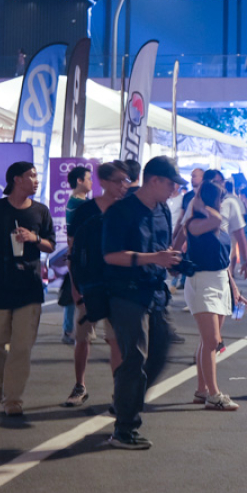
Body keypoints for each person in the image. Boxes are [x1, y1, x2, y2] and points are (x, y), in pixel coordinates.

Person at [101, 155, 185, 449]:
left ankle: (126, 402)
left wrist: (172, 262)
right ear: (154, 180)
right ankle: (124, 428)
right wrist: (155, 258)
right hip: (126, 292)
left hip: (155, 290)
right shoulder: (120, 211)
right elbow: (111, 256)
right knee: (134, 358)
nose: (175, 190)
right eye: (172, 184)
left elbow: (163, 250)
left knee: (161, 352)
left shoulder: (163, 210)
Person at [0, 162, 55, 419]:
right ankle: (5, 380)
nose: (37, 180)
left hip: (30, 287)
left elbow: (50, 245)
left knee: (21, 347)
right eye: (32, 176)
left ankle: (13, 399)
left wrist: (34, 238)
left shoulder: (41, 211)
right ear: (17, 180)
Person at [62, 160, 131, 409]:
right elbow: (72, 247)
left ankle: (119, 392)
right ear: (104, 182)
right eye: (118, 181)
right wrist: (73, 283)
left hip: (118, 284)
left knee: (115, 340)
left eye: (126, 180)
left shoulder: (126, 210)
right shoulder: (85, 210)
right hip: (89, 282)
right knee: (83, 337)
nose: (123, 185)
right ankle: (80, 385)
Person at [180, 172, 247, 411]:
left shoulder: (212, 221)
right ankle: (214, 394)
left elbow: (224, 259)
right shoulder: (196, 223)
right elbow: (217, 220)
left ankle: (202, 390)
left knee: (208, 341)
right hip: (202, 282)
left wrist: (234, 287)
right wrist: (199, 204)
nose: (223, 202)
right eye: (220, 198)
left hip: (219, 280)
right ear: (212, 201)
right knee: (212, 341)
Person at [60, 166, 94, 343]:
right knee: (77, 293)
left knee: (76, 292)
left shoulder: (78, 201)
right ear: (79, 181)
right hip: (81, 254)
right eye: (88, 178)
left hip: (79, 253)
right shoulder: (80, 204)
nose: (91, 182)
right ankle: (71, 331)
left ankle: (71, 329)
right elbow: (72, 234)